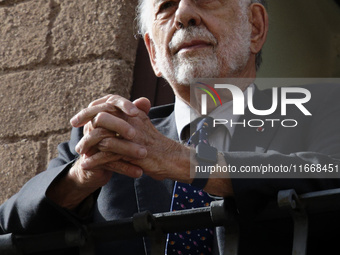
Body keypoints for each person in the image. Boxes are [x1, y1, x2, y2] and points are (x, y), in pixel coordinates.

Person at [1, 0, 340, 254]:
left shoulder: (318, 107)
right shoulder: (113, 140)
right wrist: (78, 182)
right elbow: (9, 228)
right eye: (166, 5)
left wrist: (189, 162)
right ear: (152, 53)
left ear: (255, 27)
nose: (184, 14)